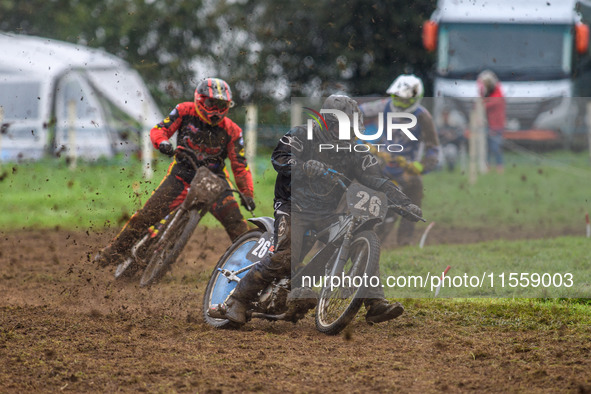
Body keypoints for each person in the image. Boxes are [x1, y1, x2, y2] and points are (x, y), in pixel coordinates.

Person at [208, 94, 422, 326]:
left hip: (327, 212)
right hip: (292, 206)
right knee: (286, 257)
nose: (349, 134)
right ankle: (236, 301)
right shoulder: (301, 135)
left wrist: (403, 202)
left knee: (356, 240)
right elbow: (278, 158)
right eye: (344, 127)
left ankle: (375, 303)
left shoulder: (355, 151)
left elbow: (378, 181)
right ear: (329, 124)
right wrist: (303, 166)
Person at [94, 77, 255, 267]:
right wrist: (162, 142)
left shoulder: (232, 130)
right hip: (182, 174)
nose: (216, 110)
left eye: (222, 105)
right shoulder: (184, 111)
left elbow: (240, 165)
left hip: (214, 182)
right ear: (200, 99)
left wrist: (247, 194)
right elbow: (159, 129)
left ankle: (252, 268)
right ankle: (114, 251)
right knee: (146, 215)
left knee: (237, 224)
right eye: (212, 103)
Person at [360, 74, 440, 246]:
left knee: (412, 197)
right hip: (382, 160)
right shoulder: (384, 105)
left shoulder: (423, 116)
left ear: (414, 99)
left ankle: (405, 241)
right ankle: (366, 239)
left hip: (407, 167)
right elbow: (358, 111)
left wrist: (421, 166)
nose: (400, 103)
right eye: (397, 98)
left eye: (404, 100)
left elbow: (433, 148)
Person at [477, 70, 506, 174]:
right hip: (489, 124)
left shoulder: (497, 95)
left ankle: (499, 166)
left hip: (496, 125)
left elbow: (486, 104)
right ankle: (488, 166)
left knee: (495, 147)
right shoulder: (492, 93)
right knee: (488, 147)